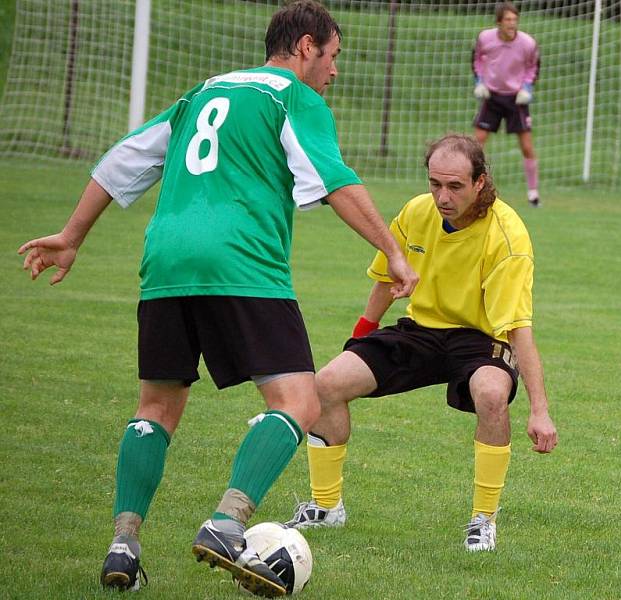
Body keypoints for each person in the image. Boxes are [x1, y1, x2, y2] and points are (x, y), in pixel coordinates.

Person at [17, 1, 417, 596]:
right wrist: (394, 251)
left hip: (165, 261)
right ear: (306, 47)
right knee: (298, 400)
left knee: (155, 406)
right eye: (332, 57)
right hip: (241, 261)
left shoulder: (203, 91)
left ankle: (124, 540)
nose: (334, 72)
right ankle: (228, 522)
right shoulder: (292, 96)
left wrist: (72, 235)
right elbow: (335, 181)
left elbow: (126, 157)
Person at [284, 134, 558, 553]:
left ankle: (483, 520)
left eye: (455, 186)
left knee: (490, 394)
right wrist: (360, 336)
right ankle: (326, 506)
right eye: (435, 184)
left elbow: (519, 328)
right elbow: (386, 278)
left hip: (480, 339)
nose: (442, 197)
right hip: (421, 330)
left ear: (481, 182)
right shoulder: (416, 211)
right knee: (327, 383)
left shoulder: (507, 236)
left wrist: (540, 411)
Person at [472, 2, 541, 206]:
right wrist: (480, 82)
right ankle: (476, 188)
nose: (512, 24)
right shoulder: (485, 38)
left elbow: (533, 67)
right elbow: (476, 59)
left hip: (515, 99)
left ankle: (533, 194)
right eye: (508, 20)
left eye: (515, 19)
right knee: (476, 144)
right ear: (499, 22)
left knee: (527, 146)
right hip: (492, 96)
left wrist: (526, 88)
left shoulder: (528, 43)